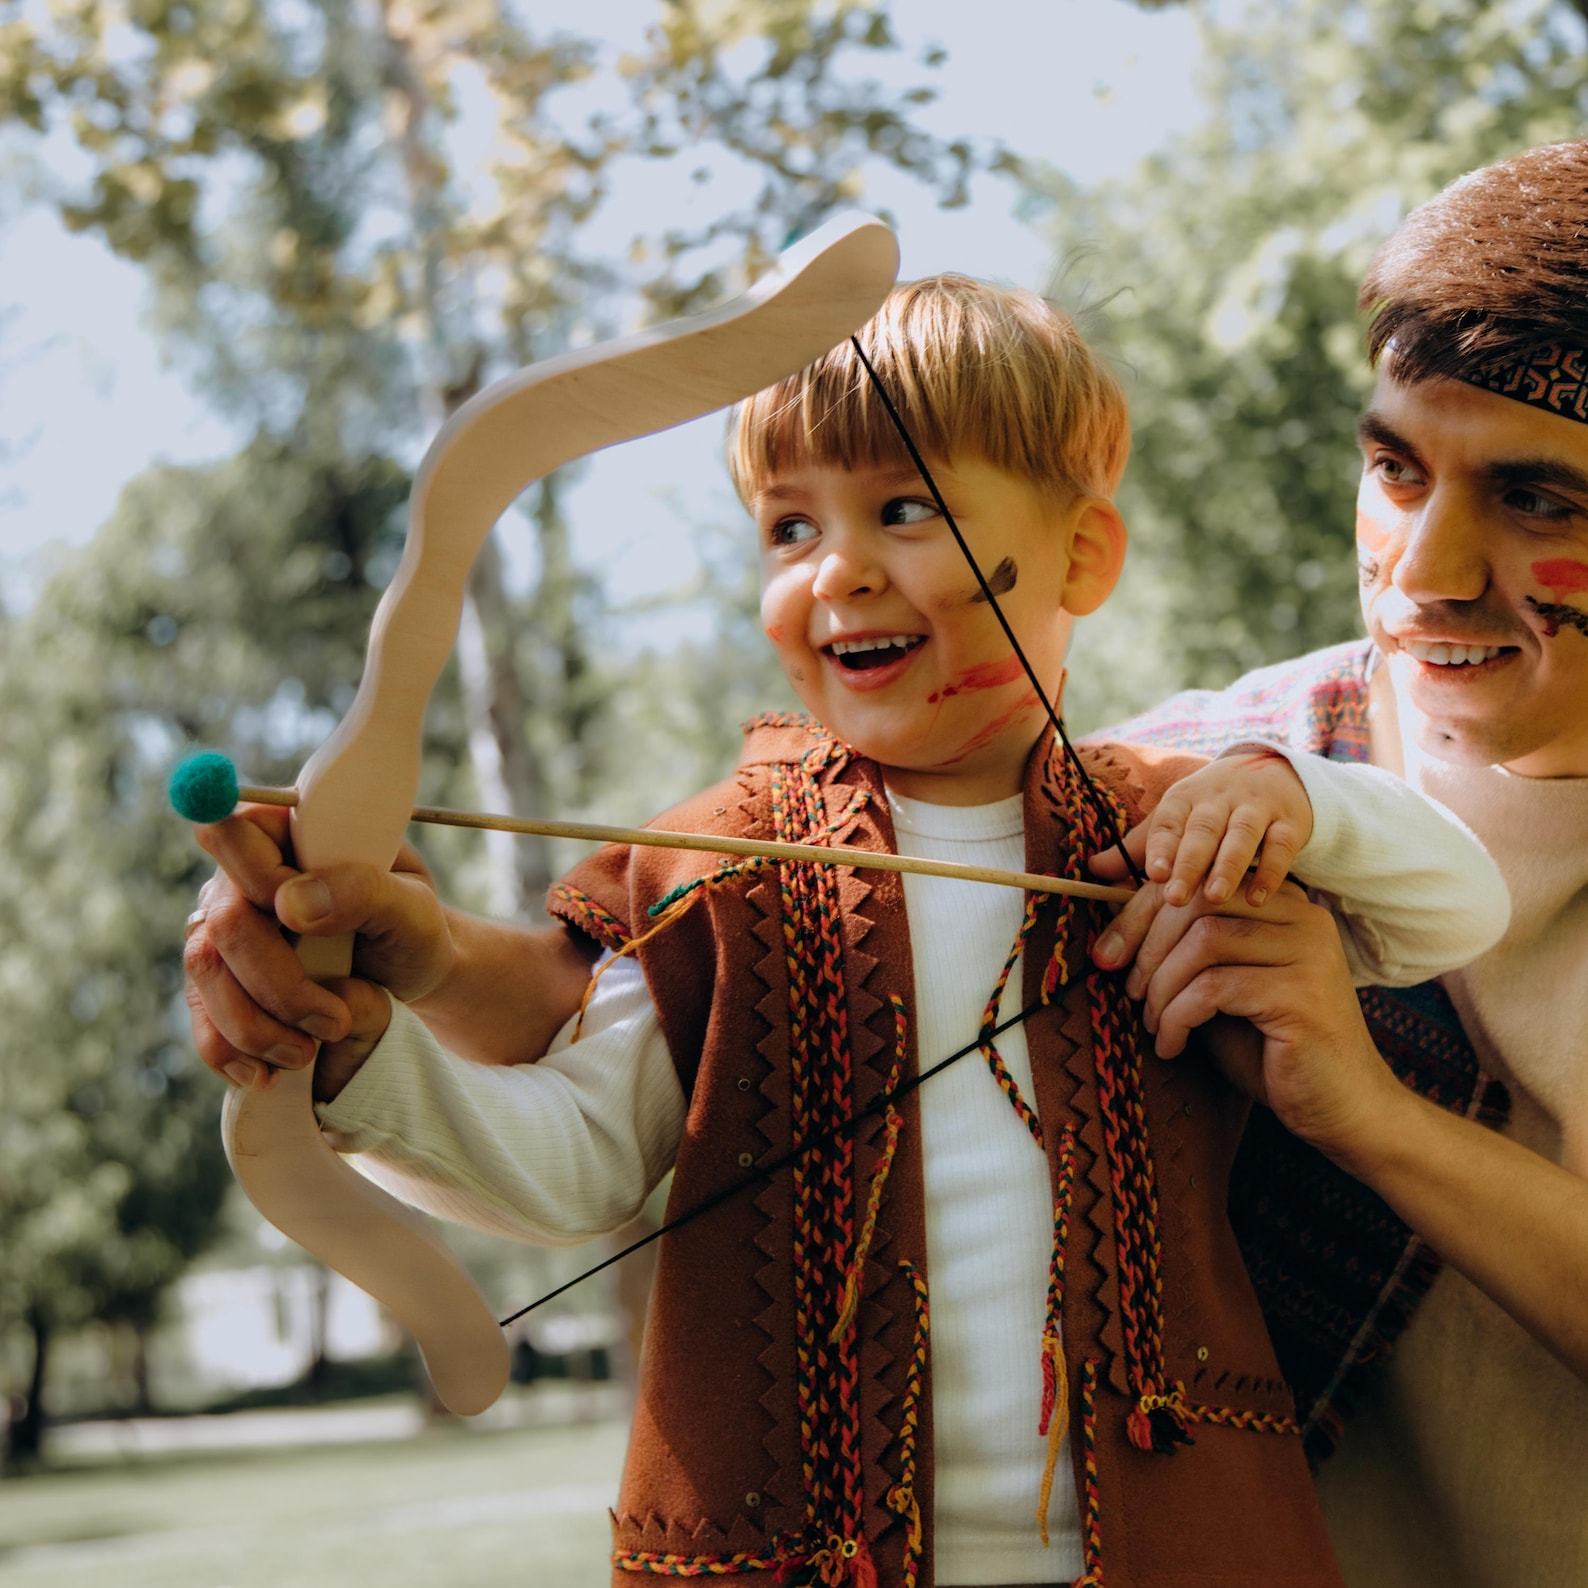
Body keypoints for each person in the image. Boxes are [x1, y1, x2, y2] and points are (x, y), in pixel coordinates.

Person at [184, 277, 1507, 1588]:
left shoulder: (1177, 822)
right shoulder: (721, 868)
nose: (838, 569)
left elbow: (1457, 904)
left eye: (905, 509)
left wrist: (1291, 796)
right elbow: (576, 1165)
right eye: (788, 526)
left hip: (1187, 1535)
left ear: (1083, 557)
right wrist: (359, 1057)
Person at [1098, 139, 1588, 1588]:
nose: (1424, 573)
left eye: (1538, 500)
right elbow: (730, 955)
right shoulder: (1213, 778)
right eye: (1393, 470)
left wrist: (1370, 1117)